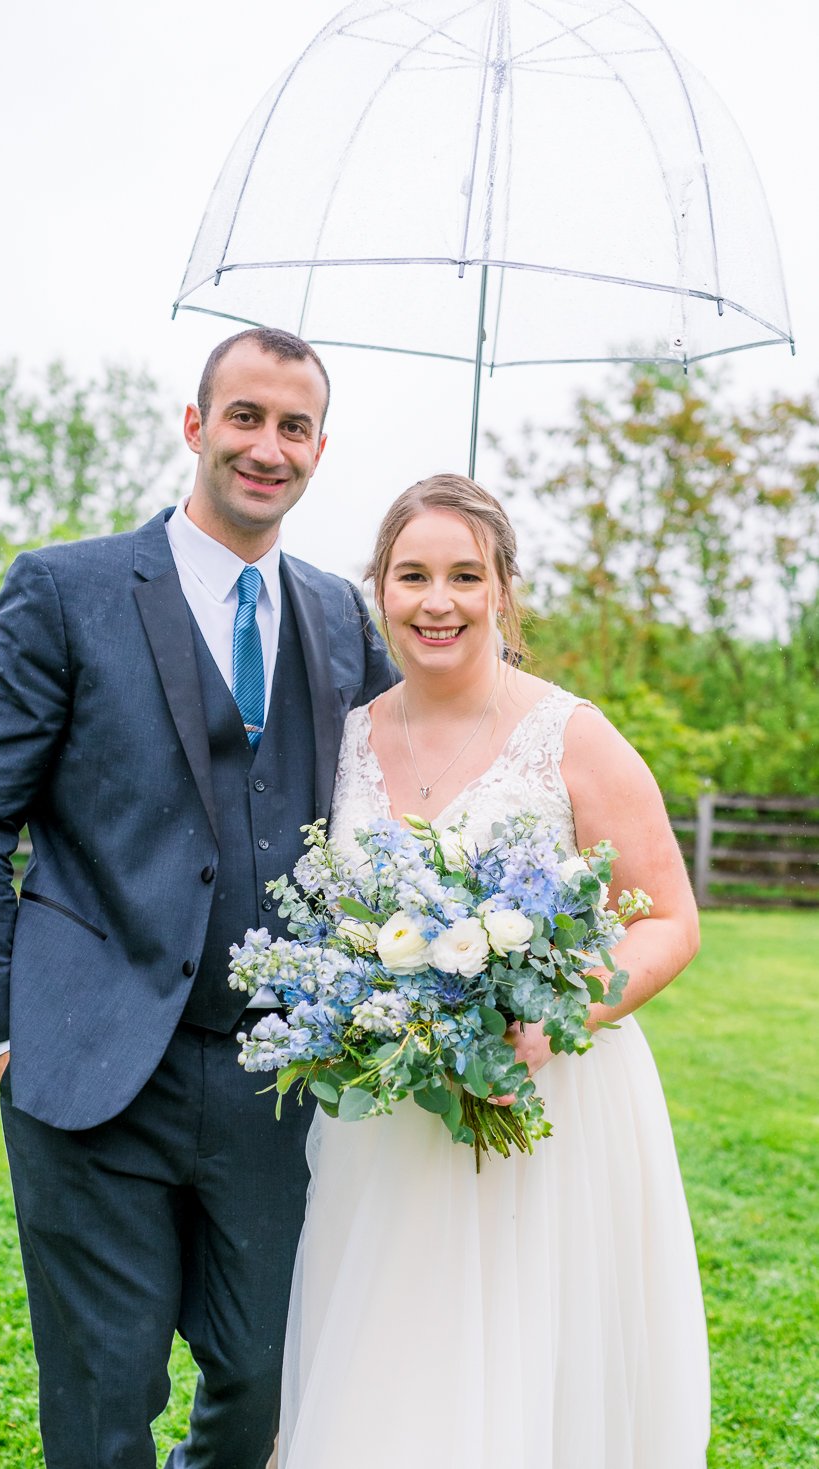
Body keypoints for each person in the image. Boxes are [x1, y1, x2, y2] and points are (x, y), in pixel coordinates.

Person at [0, 326, 396, 1469]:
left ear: (319, 448)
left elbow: (407, 795)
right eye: (245, 416)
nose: (266, 446)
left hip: (282, 1074)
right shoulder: (65, 590)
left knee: (264, 1370)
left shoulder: (342, 615)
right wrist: (2, 1025)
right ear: (196, 425)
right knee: (104, 1385)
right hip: (87, 1062)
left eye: (293, 426)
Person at [276, 474, 710, 1469]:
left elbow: (670, 919)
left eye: (465, 575)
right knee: (387, 1357)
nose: (438, 600)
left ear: (503, 589)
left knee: (528, 1361)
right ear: (378, 589)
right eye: (413, 574)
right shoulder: (344, 741)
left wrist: (552, 1011)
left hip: (546, 1099)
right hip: (388, 1120)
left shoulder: (572, 734)